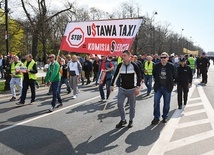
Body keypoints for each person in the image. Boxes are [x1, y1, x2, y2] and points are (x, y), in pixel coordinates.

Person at [111, 50, 141, 128]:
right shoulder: (120, 65)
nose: (123, 57)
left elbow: (139, 76)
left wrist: (138, 87)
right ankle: (123, 120)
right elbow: (115, 75)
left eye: (124, 55)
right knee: (119, 104)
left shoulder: (134, 65)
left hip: (132, 89)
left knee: (132, 106)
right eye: (122, 55)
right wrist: (112, 85)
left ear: (129, 56)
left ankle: (131, 120)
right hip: (122, 89)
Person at [151, 52, 176, 125]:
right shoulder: (156, 66)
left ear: (168, 58)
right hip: (158, 87)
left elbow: (175, 75)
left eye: (164, 57)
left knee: (166, 103)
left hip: (167, 87)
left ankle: (165, 116)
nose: (163, 59)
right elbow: (154, 74)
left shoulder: (171, 66)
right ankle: (156, 117)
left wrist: (173, 83)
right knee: (156, 102)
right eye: (161, 58)